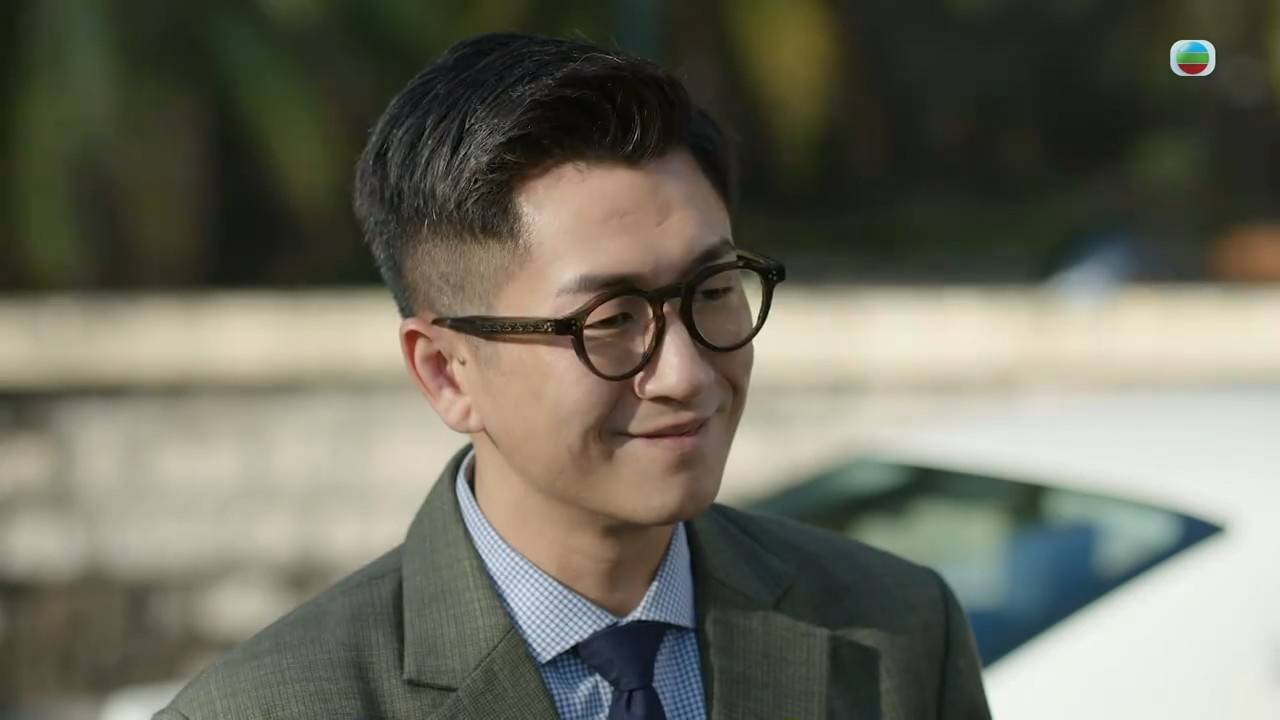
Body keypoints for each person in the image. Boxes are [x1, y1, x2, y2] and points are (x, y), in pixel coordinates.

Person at [155, 32, 990, 720]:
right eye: (611, 321)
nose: (685, 373)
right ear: (447, 372)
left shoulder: (897, 634)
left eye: (712, 291)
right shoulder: (271, 709)